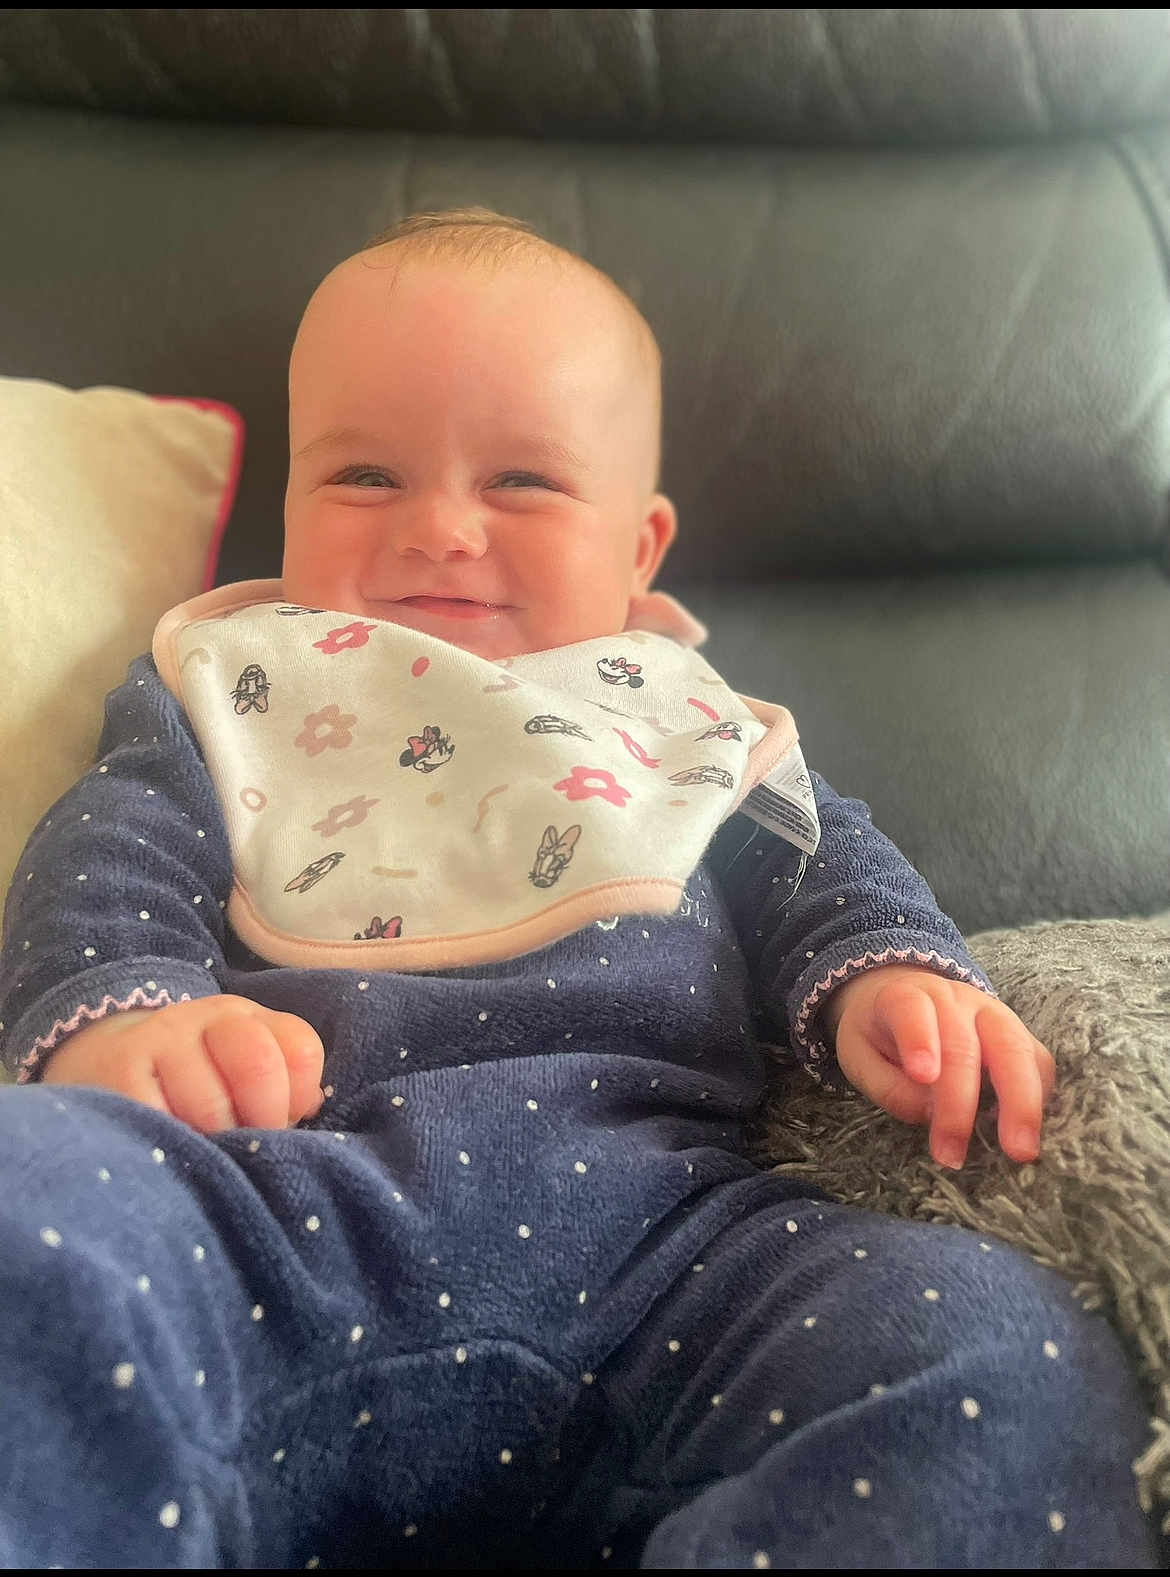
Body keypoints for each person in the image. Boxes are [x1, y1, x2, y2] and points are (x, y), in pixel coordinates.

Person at [0, 208, 1162, 1569]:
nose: (438, 529)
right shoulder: (243, 677)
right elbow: (117, 843)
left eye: (523, 485)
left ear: (639, 548)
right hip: (269, 1203)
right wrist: (119, 1015)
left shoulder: (678, 707)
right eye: (364, 475)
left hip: (677, 1252)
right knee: (34, 1210)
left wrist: (897, 973)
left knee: (992, 1352)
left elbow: (815, 860)